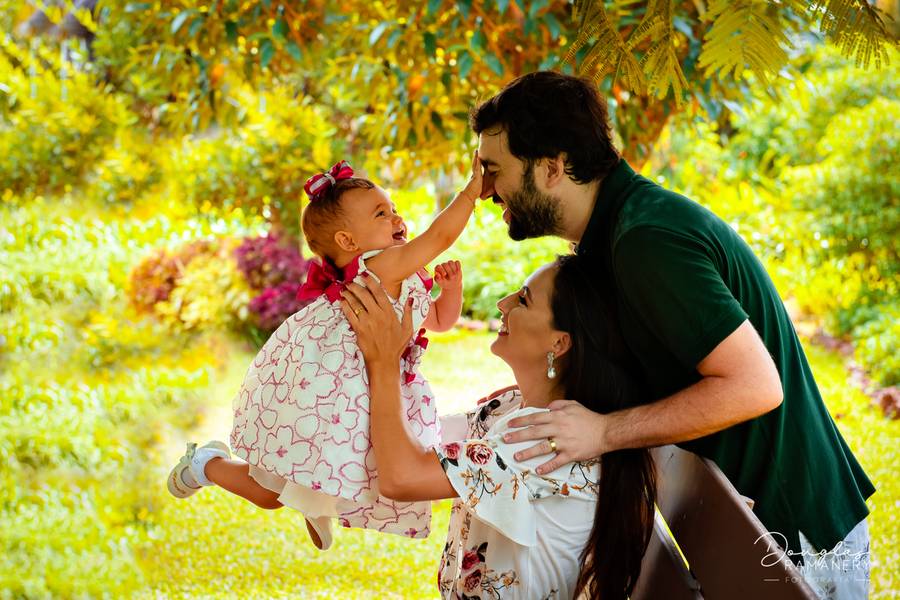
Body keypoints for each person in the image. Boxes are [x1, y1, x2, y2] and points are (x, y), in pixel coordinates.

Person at [470, 71, 874, 599]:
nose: (483, 192)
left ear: (552, 168)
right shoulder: (615, 236)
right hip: (746, 531)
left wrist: (604, 432)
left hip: (792, 541)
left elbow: (755, 386)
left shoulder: (646, 240)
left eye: (492, 171)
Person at [166, 156, 482, 551]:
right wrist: (471, 192)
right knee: (268, 494)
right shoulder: (379, 266)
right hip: (329, 396)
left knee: (324, 477)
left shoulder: (406, 276)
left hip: (364, 399)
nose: (397, 218)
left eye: (394, 209)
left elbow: (438, 320)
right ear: (349, 244)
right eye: (382, 214)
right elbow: (438, 239)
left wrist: (450, 292)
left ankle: (312, 503)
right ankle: (206, 465)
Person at [341, 255, 657, 600]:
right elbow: (418, 436)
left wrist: (384, 361)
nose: (502, 304)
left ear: (559, 343)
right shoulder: (515, 407)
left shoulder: (548, 437)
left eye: (523, 300)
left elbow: (402, 477)